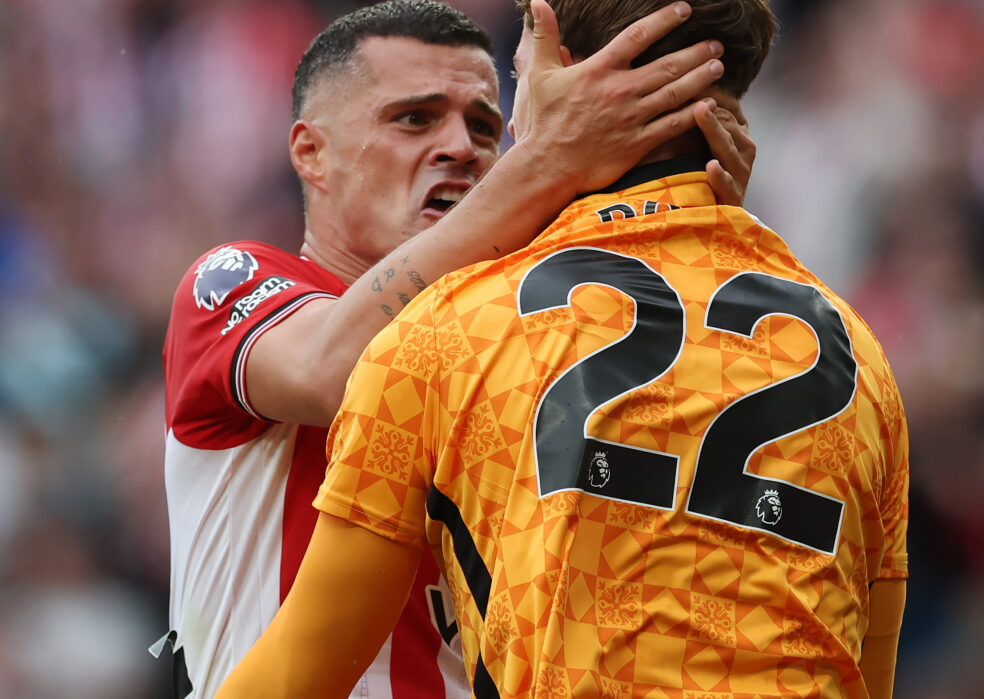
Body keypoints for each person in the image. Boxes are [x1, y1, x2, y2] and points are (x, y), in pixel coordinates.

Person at [215, 0, 911, 697]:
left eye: (503, 101)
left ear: (567, 74)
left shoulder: (444, 333)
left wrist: (554, 162)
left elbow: (292, 680)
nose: (498, 135)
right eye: (415, 119)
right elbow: (864, 670)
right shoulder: (862, 360)